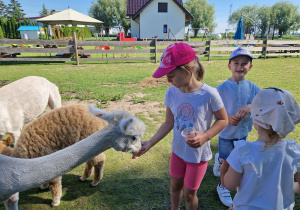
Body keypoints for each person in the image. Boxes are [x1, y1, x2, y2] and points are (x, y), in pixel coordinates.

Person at [132, 42, 228, 210]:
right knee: (175, 188)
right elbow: (168, 122)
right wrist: (150, 143)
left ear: (187, 70)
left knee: (190, 194)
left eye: (171, 75)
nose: (168, 80)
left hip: (197, 157)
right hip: (177, 152)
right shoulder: (171, 92)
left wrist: (205, 136)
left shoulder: (209, 94)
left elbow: (223, 120)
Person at [224, 87, 300, 209]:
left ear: (255, 120)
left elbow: (229, 185)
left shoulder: (242, 151)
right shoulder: (294, 151)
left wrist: (224, 168)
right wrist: (286, 185)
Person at [213, 47, 260, 207]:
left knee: (238, 159)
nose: (240, 67)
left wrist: (250, 106)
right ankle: (223, 186)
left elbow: (262, 104)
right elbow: (213, 111)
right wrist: (226, 118)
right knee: (228, 161)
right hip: (226, 134)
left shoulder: (254, 88)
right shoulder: (220, 90)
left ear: (250, 66)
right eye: (236, 63)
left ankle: (219, 158)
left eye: (244, 63)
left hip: (242, 134)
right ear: (229, 66)